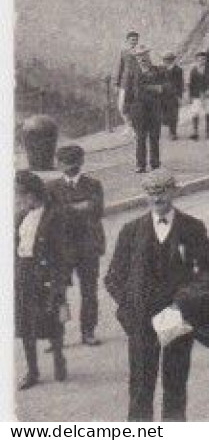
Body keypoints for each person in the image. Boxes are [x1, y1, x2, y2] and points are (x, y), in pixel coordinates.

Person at [105, 169, 209, 421]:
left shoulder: (192, 228)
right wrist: (131, 307)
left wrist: (186, 303)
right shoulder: (131, 231)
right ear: (145, 196)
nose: (158, 199)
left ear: (174, 191)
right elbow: (113, 278)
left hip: (179, 319)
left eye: (163, 192)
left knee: (176, 387)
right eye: (152, 193)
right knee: (140, 390)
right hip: (142, 322)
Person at [16, 171, 70, 390]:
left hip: (46, 275)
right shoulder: (21, 216)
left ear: (32, 195)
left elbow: (62, 252)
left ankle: (59, 359)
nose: (18, 200)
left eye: (21, 195)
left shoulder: (54, 216)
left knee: (52, 319)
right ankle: (32, 370)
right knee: (25, 323)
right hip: (24, 274)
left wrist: (59, 283)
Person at [51, 144, 107, 346]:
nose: (69, 168)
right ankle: (57, 335)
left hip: (88, 246)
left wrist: (66, 210)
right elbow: (52, 216)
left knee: (89, 291)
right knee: (58, 293)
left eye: (73, 163)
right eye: (65, 163)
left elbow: (97, 211)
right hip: (61, 249)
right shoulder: (51, 188)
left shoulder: (93, 184)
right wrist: (81, 207)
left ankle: (88, 331)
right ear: (58, 165)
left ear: (81, 163)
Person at [124, 46, 165, 174]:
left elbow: (165, 87)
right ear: (136, 58)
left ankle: (155, 164)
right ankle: (140, 165)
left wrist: (158, 89)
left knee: (154, 136)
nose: (142, 58)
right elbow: (128, 93)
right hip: (138, 110)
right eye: (138, 56)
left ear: (148, 55)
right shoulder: (131, 73)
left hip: (154, 109)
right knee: (140, 137)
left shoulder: (157, 71)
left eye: (144, 55)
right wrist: (127, 112)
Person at [184, 51, 209, 140]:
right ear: (196, 60)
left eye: (203, 59)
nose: (202, 61)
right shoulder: (193, 70)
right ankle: (195, 131)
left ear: (206, 60)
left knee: (208, 111)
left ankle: (208, 131)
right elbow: (189, 84)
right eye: (199, 59)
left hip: (207, 94)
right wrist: (189, 96)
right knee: (195, 112)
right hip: (196, 94)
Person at [158, 52, 184, 141]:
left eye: (170, 59)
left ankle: (173, 133)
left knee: (173, 115)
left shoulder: (178, 70)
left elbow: (180, 84)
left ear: (173, 60)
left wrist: (180, 96)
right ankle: (169, 128)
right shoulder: (160, 69)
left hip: (174, 95)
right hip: (163, 96)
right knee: (164, 115)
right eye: (166, 60)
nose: (168, 61)